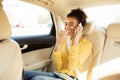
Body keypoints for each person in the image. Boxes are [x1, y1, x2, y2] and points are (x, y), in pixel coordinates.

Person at [24, 8, 93, 80]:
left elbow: (72, 67)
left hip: (70, 77)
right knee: (25, 74)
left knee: (37, 79)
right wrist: (58, 44)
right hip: (58, 74)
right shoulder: (66, 41)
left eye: (71, 24)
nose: (67, 27)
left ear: (79, 27)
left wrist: (75, 41)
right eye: (66, 24)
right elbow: (59, 67)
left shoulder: (87, 44)